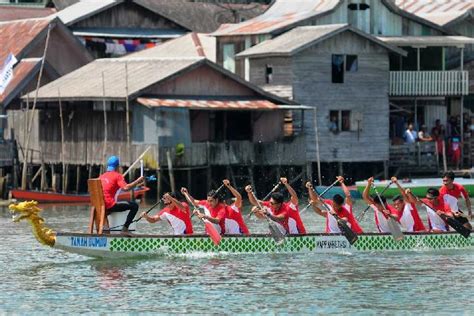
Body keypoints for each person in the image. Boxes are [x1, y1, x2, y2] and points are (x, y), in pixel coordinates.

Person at [99, 155, 144, 235]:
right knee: (134, 206)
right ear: (117, 167)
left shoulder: (101, 176)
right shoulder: (117, 176)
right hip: (110, 205)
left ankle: (105, 230)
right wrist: (137, 181)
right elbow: (126, 188)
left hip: (100, 205)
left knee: (119, 204)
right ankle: (125, 229)